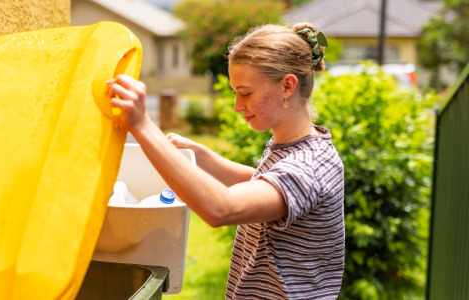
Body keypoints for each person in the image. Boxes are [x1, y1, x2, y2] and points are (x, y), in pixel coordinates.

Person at [106, 22, 345, 299]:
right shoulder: (292, 148)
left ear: (287, 86)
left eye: (246, 93)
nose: (237, 105)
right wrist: (202, 156)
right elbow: (262, 182)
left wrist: (143, 126)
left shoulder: (309, 165)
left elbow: (222, 209)